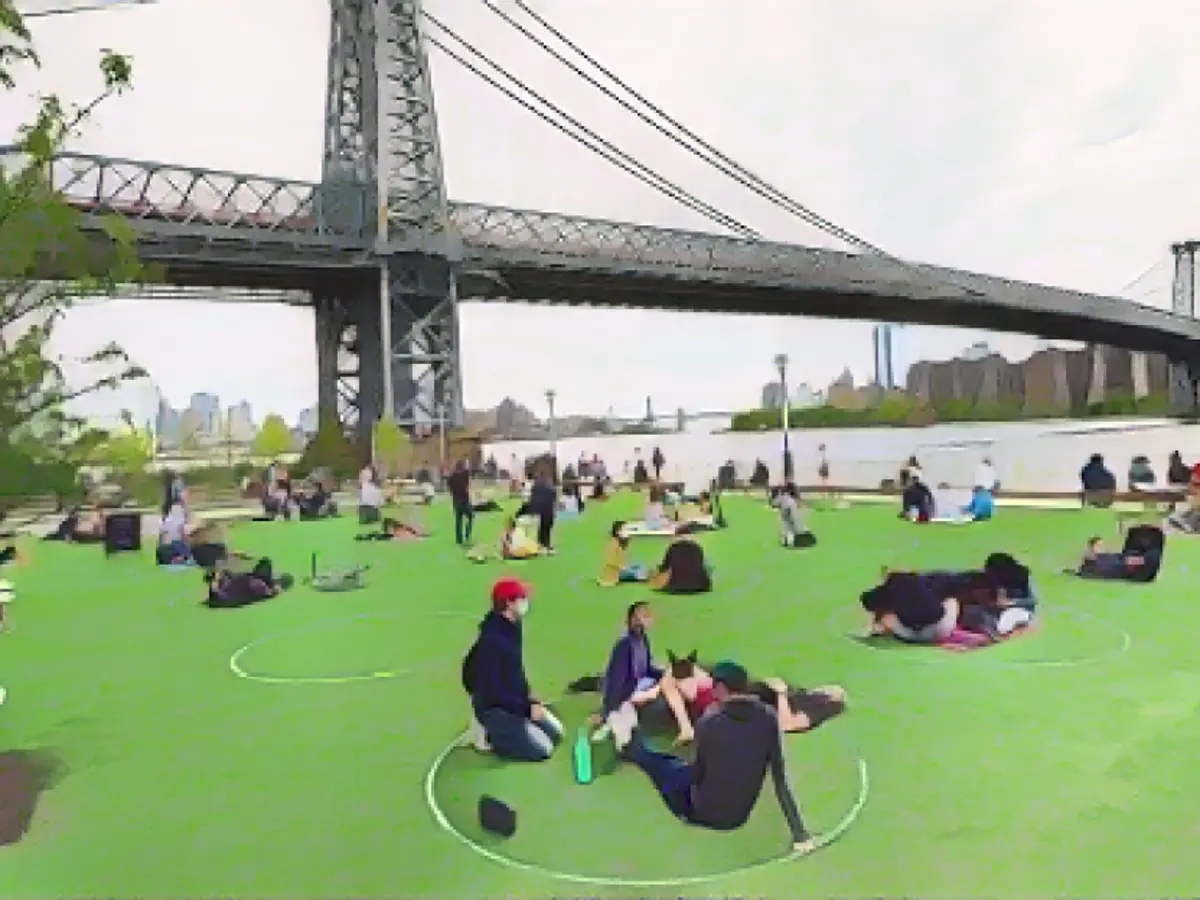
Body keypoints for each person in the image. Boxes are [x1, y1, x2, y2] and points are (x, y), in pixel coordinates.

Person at [618, 661, 815, 855]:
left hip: (700, 813)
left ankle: (631, 749)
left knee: (661, 765)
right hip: (738, 817)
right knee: (673, 766)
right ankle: (637, 752)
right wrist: (800, 834)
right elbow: (780, 781)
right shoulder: (769, 718)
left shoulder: (709, 722)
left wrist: (669, 773)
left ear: (721, 688)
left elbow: (697, 773)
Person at [462, 578, 563, 761]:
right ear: (509, 603)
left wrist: (531, 699)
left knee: (557, 733)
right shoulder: (493, 642)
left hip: (513, 701)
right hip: (495, 707)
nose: (526, 602)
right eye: (521, 598)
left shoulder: (513, 626)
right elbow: (496, 690)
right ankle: (488, 731)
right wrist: (526, 709)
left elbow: (515, 671)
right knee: (544, 750)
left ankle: (515, 727)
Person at [860, 572, 959, 644]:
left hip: (909, 635)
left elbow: (869, 601)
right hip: (943, 629)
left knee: (887, 617)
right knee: (951, 600)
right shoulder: (922, 582)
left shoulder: (889, 589)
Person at [752, 677, 847, 734]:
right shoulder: (802, 694)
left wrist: (781, 692)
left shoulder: (820, 709)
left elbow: (787, 724)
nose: (825, 687)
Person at [648, 538, 712, 594]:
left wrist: (656, 571)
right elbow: (701, 565)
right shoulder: (697, 547)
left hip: (676, 587)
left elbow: (664, 568)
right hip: (701, 586)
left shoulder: (673, 547)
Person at [528, 473, 557, 553]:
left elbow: (531, 500)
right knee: (546, 527)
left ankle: (539, 543)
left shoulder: (534, 487)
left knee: (539, 527)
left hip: (537, 510)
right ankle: (545, 544)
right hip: (547, 510)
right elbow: (553, 499)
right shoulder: (551, 488)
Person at [447, 460, 473, 546]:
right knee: (470, 516)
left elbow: (450, 489)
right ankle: (467, 533)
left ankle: (459, 539)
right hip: (465, 500)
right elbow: (468, 471)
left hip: (456, 500)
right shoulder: (465, 474)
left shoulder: (451, 477)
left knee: (458, 520)